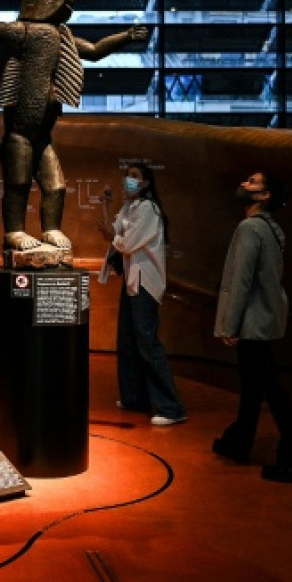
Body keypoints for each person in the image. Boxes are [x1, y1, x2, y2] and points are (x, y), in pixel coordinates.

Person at [0, 0, 148, 253]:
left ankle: (51, 228)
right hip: (18, 132)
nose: (68, 2)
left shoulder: (61, 36)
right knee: (17, 184)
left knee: (55, 187)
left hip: (43, 134)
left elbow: (93, 51)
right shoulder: (24, 31)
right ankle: (14, 232)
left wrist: (127, 36)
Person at [212, 170, 292, 482]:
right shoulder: (272, 228)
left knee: (269, 387)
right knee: (255, 385)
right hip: (264, 317)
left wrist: (229, 324)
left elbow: (241, 281)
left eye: (253, 182)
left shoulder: (250, 228)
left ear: (265, 196)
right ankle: (239, 441)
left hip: (251, 320)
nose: (243, 183)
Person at [97, 162, 186, 426]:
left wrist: (113, 236)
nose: (129, 180)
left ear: (146, 183)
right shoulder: (129, 207)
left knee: (147, 341)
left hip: (145, 282)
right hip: (131, 280)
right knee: (127, 339)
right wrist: (105, 203)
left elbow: (125, 242)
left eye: (135, 176)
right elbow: (111, 232)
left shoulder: (148, 209)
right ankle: (134, 397)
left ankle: (171, 407)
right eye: (127, 175)